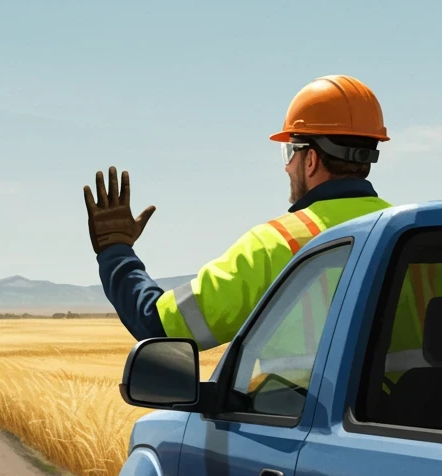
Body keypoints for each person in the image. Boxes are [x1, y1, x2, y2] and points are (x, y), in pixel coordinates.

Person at [83, 75, 393, 349]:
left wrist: (116, 251)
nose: (287, 167)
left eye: (289, 152)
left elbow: (160, 326)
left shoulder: (277, 244)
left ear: (310, 160)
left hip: (297, 416)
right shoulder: (409, 234)